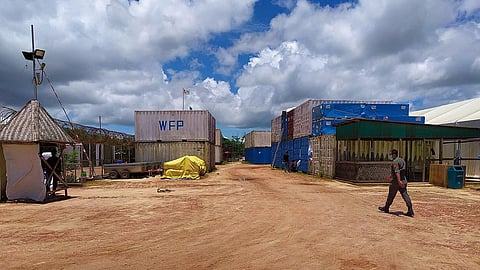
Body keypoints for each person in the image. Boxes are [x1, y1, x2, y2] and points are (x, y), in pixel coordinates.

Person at [378, 149, 414, 217]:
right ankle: (410, 209)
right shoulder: (402, 160)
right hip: (404, 180)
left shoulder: (395, 162)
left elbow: (397, 172)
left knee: (391, 195)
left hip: (396, 182)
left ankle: (386, 207)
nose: (390, 156)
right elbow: (401, 170)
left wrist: (398, 181)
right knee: (405, 195)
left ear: (394, 154)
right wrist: (391, 176)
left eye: (390, 154)